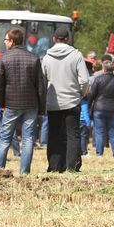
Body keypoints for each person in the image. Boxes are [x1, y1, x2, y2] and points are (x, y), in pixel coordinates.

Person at [0, 28, 46, 174]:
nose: (4, 42)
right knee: (28, 139)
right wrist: (41, 107)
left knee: (4, 137)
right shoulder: (34, 58)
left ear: (11, 41)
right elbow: (40, 86)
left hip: (11, 103)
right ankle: (24, 171)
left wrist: (2, 102)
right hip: (31, 104)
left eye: (5, 40)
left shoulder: (3, 58)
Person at [41, 26, 89, 172]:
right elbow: (85, 80)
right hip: (72, 101)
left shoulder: (47, 57)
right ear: (68, 39)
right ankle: (71, 167)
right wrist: (81, 93)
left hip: (53, 102)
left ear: (54, 39)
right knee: (73, 135)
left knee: (54, 134)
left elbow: (43, 81)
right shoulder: (76, 55)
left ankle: (54, 166)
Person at [86, 54, 114, 158]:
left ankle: (99, 154)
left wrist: (89, 106)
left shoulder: (98, 79)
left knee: (99, 132)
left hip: (99, 109)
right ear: (113, 70)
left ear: (104, 69)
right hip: (113, 109)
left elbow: (91, 95)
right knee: (113, 132)